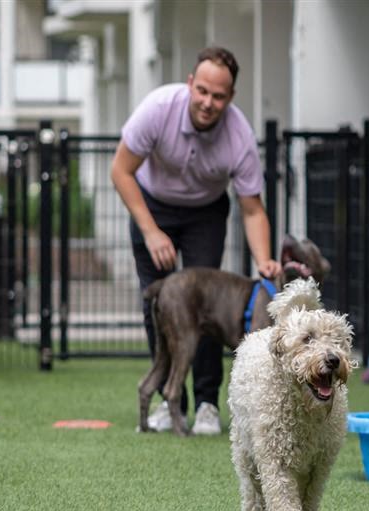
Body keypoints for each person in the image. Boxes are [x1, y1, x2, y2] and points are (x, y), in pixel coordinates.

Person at [111, 46, 282, 436]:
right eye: (202, 90)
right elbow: (121, 171)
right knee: (160, 302)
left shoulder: (239, 135)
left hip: (205, 212)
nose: (208, 102)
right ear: (190, 83)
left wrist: (264, 260)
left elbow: (253, 209)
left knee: (206, 306)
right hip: (151, 206)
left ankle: (205, 402)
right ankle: (169, 403)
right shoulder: (158, 108)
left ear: (230, 97)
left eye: (218, 95)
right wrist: (152, 231)